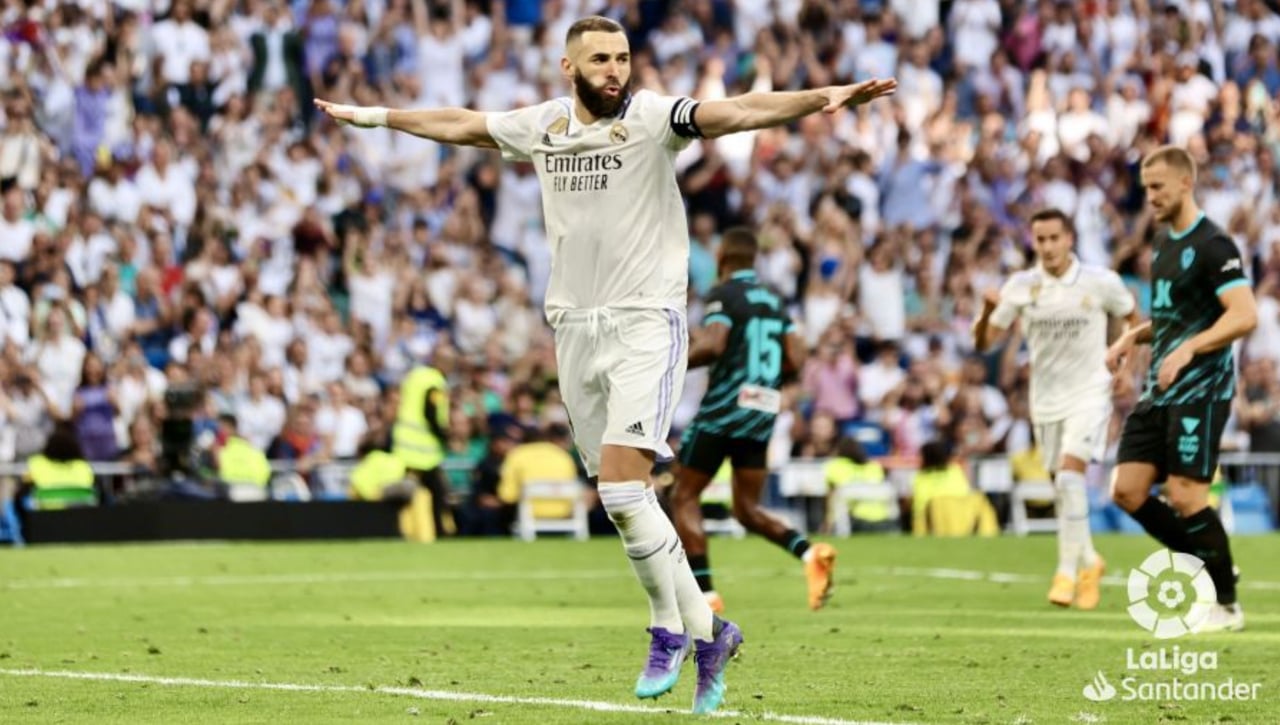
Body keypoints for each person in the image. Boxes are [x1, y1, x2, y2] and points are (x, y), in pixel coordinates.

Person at [315, 16, 895, 713]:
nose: (615, 70)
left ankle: (668, 629)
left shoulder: (654, 119)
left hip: (645, 322)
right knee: (628, 504)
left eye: (622, 57)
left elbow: (737, 110)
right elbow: (461, 122)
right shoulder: (545, 126)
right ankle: (714, 633)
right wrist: (376, 117)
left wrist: (821, 96)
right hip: (573, 330)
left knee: (625, 491)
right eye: (600, 60)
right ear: (569, 67)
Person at [1106, 146, 1257, 633]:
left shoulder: (1214, 243)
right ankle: (1213, 564)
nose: (1149, 196)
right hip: (1161, 388)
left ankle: (1227, 603)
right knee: (1127, 491)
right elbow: (1173, 319)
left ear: (1185, 184)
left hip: (1202, 388)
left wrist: (1190, 350)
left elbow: (1243, 314)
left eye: (1157, 187)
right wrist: (1131, 336)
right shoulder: (1163, 242)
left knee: (1186, 495)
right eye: (1146, 187)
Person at [972, 207, 1141, 610]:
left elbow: (1133, 318)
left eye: (1054, 238)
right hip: (1045, 398)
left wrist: (1126, 367)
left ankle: (1065, 572)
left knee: (1069, 478)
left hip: (1090, 391)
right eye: (1040, 239)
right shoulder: (1021, 286)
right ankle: (1090, 561)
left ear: (1069, 239)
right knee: (1064, 490)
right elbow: (985, 343)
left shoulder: (1101, 282)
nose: (1047, 247)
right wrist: (984, 311)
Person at [669, 228, 825, 614]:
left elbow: (714, 344)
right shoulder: (775, 301)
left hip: (726, 408)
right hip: (763, 409)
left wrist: (668, 362)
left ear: (722, 258)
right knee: (746, 509)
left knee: (684, 495)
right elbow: (796, 358)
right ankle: (810, 554)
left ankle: (706, 596)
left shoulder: (723, 295)